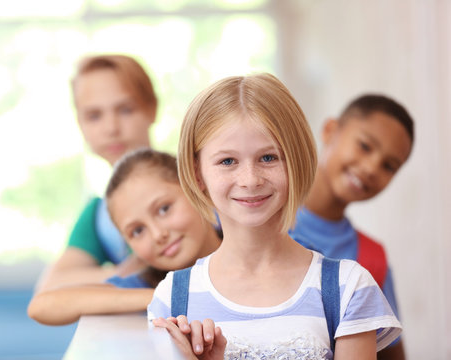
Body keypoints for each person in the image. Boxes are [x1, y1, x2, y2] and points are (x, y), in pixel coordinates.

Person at [149, 73, 402, 359]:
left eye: (268, 157)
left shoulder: (349, 287)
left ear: (295, 159)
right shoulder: (171, 298)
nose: (250, 179)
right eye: (227, 161)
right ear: (198, 173)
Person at [28, 148, 221, 325]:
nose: (157, 235)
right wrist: (165, 297)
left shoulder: (249, 252)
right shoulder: (149, 284)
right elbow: (42, 307)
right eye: (137, 231)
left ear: (195, 187)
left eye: (164, 209)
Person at [289, 94, 414, 360]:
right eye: (365, 146)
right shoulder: (249, 217)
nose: (371, 168)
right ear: (330, 130)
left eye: (389, 166)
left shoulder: (373, 261)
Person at [34, 54, 158, 292]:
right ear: (80, 124)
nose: (111, 128)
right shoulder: (99, 216)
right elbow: (49, 286)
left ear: (151, 108)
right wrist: (133, 273)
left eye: (125, 110)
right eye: (94, 116)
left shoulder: (201, 187)